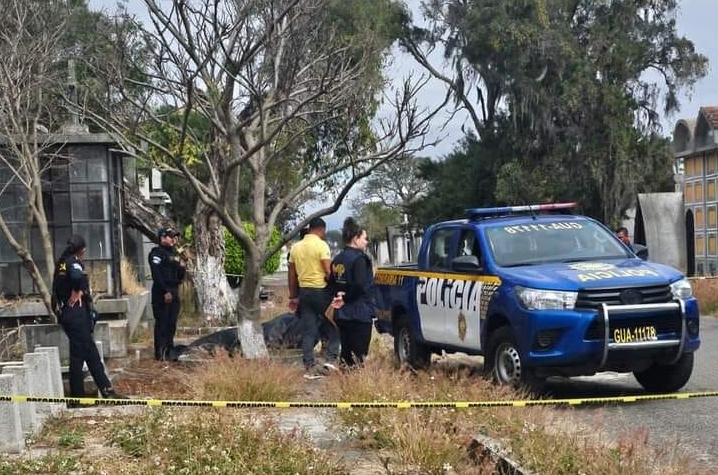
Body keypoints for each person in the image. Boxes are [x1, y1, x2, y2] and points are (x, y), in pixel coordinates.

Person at [52, 235, 125, 400]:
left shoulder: (62, 262)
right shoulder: (73, 262)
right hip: (76, 312)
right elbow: (77, 277)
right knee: (78, 357)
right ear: (81, 249)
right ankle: (78, 398)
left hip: (68, 312)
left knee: (90, 352)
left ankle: (107, 390)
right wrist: (78, 291)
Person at [287, 217, 340, 378]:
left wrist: (293, 296)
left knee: (309, 331)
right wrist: (336, 288)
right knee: (336, 326)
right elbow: (328, 271)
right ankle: (330, 360)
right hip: (321, 292)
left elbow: (291, 275)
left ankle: (309, 367)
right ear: (322, 230)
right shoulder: (321, 245)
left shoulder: (296, 247)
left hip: (304, 293)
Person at [328, 217, 377, 367]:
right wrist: (347, 298)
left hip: (342, 314)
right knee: (359, 355)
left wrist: (339, 296)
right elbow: (360, 285)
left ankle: (346, 383)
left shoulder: (337, 259)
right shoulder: (360, 260)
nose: (366, 242)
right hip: (360, 313)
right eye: (364, 238)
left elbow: (331, 283)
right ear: (356, 239)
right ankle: (355, 384)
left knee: (346, 353)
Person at [149, 228, 186, 361]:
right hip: (162, 291)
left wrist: (182, 266)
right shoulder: (156, 253)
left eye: (175, 237)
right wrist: (165, 291)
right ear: (162, 238)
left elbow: (180, 275)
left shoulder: (175, 254)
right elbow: (156, 274)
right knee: (162, 323)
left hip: (174, 290)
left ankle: (170, 350)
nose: (173, 239)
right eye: (171, 237)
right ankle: (160, 352)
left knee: (172, 323)